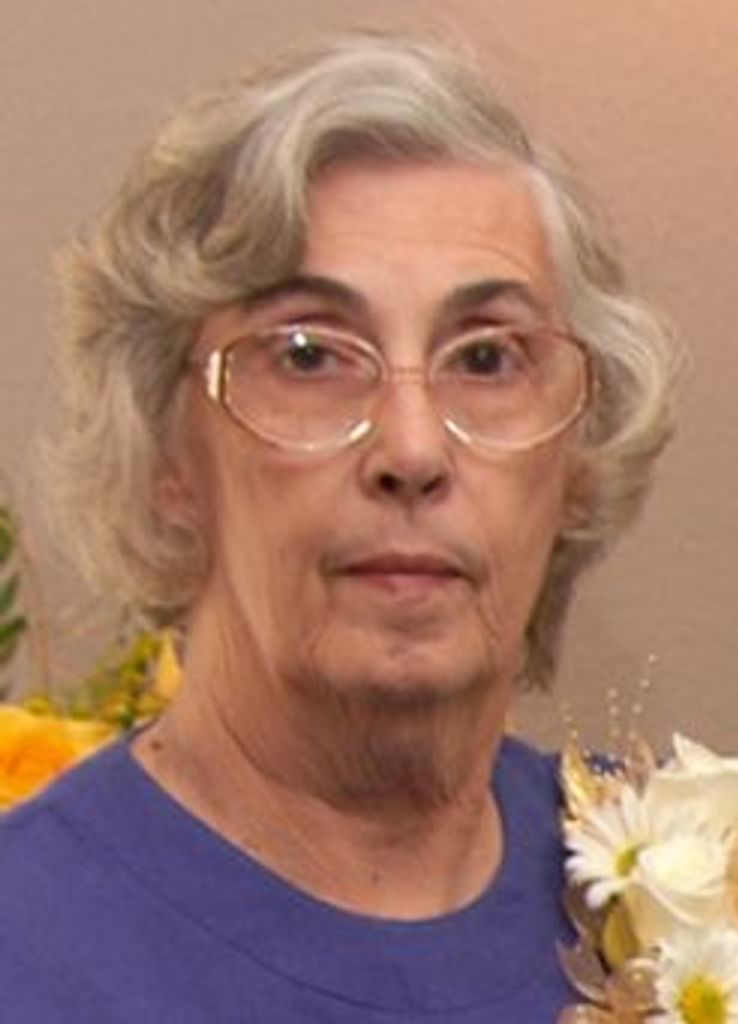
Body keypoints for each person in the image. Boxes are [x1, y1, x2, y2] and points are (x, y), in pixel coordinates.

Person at [0, 32, 677, 1022]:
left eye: (486, 359)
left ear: (578, 456)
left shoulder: (686, 891)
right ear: (166, 452)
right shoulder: (28, 947)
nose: (412, 448)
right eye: (310, 355)